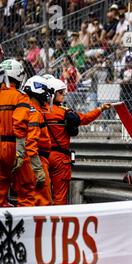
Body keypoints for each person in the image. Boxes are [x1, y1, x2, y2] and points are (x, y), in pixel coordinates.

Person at [44, 77, 112, 205]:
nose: (64, 95)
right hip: (60, 159)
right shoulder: (64, 113)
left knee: (42, 195)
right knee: (60, 197)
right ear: (52, 93)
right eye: (61, 92)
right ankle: (58, 222)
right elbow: (85, 119)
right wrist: (100, 109)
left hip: (42, 157)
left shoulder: (38, 111)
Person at [0, 60, 39, 207]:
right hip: (14, 146)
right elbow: (20, 123)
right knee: (27, 189)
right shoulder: (20, 96)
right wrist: (20, 152)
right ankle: (26, 227)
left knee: (1, 189)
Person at [22, 75, 53, 206]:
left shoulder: (25, 107)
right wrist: (38, 168)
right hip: (36, 160)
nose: (47, 96)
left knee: (27, 199)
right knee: (43, 202)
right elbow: (31, 142)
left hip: (27, 159)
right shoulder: (34, 111)